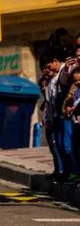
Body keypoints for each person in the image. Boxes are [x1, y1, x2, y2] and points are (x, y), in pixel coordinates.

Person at [45, 48, 78, 181]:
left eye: (48, 66)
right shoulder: (53, 78)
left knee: (67, 145)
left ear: (55, 61)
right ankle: (66, 171)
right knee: (59, 145)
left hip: (69, 116)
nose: (47, 70)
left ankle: (74, 173)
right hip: (59, 114)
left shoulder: (66, 70)